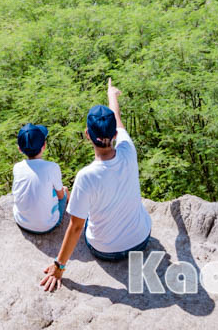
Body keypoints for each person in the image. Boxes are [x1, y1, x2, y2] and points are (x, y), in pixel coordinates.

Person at [40, 78, 151, 292]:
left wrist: (59, 267)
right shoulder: (128, 150)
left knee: (84, 209)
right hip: (141, 241)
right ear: (115, 136)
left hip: (105, 251)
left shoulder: (86, 176)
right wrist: (111, 95)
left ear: (87, 134)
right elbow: (117, 119)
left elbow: (76, 227)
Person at [13, 123, 69, 234]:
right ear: (44, 145)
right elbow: (61, 196)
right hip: (47, 226)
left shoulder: (17, 167)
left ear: (20, 149)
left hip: (21, 222)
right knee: (65, 190)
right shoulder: (52, 167)